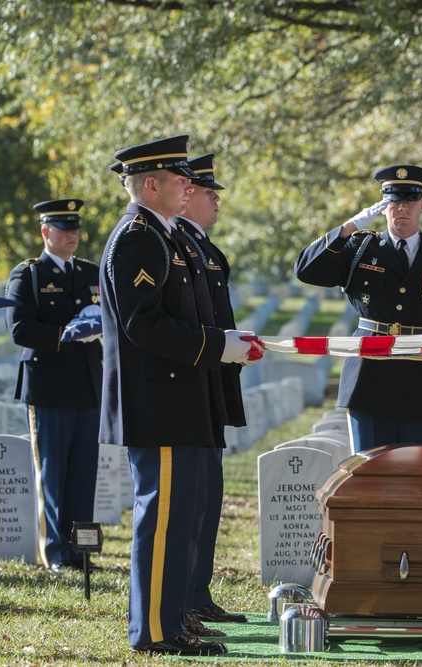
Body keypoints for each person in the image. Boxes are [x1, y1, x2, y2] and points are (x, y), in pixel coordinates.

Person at [99, 135, 262, 656]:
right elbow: (143, 325)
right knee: (162, 519)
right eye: (179, 179)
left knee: (175, 519)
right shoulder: (138, 238)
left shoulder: (163, 236)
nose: (189, 186)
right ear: (152, 184)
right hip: (160, 402)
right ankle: (153, 630)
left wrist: (221, 345)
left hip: (179, 399)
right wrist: (217, 346)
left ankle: (173, 621)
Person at [294, 165, 422, 452]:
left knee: (419, 481)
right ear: (382, 206)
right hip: (368, 383)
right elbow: (305, 270)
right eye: (394, 200)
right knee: (368, 481)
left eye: (410, 200)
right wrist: (347, 228)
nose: (402, 207)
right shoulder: (359, 248)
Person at [5, 199, 102, 572]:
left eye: (75, 228)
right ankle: (56, 553)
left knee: (83, 474)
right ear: (45, 232)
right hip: (49, 386)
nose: (72, 234)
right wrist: (67, 334)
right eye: (63, 228)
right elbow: (20, 329)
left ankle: (82, 552)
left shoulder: (92, 272)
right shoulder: (28, 274)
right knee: (53, 473)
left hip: (88, 384)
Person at [172, 154, 249, 626]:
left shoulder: (205, 249)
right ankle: (186, 595)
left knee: (209, 494)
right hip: (193, 380)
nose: (214, 198)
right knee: (193, 499)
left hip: (214, 379)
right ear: (185, 198)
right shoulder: (177, 244)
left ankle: (198, 591)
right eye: (206, 191)